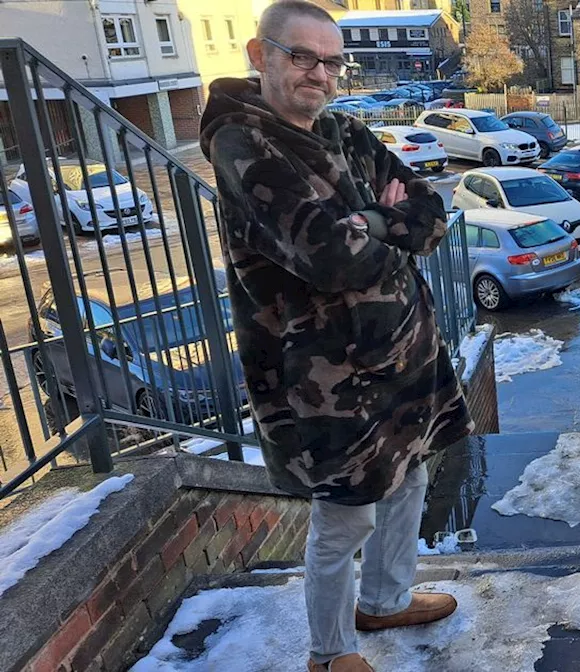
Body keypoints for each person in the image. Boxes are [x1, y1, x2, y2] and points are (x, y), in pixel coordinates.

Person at [199, 2, 472, 670]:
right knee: (346, 512)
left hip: (402, 349)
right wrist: (385, 223)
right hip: (326, 377)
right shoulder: (244, 145)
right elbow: (328, 255)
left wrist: (367, 223)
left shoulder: (345, 132)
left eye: (330, 61)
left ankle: (383, 599)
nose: (319, 74)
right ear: (260, 55)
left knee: (409, 475)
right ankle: (330, 652)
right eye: (302, 57)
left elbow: (432, 212)